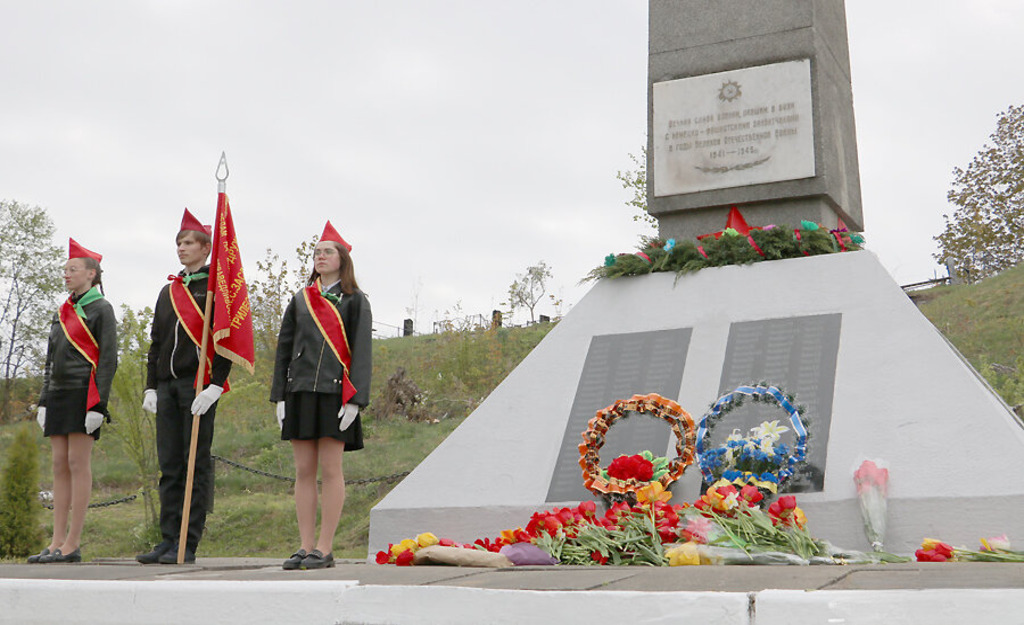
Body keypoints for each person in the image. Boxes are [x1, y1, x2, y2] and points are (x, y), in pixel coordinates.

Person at [271, 221, 372, 570]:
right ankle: (304, 545)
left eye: (327, 251)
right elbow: (284, 349)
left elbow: (362, 352)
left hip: (335, 393)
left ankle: (325, 547)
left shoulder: (356, 301)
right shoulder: (301, 300)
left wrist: (356, 398)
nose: (320, 256)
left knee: (330, 468)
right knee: (302, 470)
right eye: (316, 252)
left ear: (342, 258)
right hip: (299, 391)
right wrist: (279, 396)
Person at [135, 209, 232, 565]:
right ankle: (167, 538)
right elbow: (156, 343)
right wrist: (150, 387)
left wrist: (216, 385)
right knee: (171, 466)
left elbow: (225, 340)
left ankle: (187, 542)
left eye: (189, 243)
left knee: (196, 466)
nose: (181, 248)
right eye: (178, 243)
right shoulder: (168, 291)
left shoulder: (214, 288)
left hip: (197, 388)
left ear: (206, 248)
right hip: (167, 386)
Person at [30, 238, 117, 564]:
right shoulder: (63, 310)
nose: (66, 274)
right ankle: (55, 541)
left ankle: (73, 543)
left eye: (73, 269)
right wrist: (43, 400)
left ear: (91, 274)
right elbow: (50, 360)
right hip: (58, 394)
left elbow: (108, 360)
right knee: (58, 466)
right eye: (65, 269)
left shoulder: (101, 309)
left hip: (85, 394)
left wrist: (99, 405)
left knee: (78, 464)